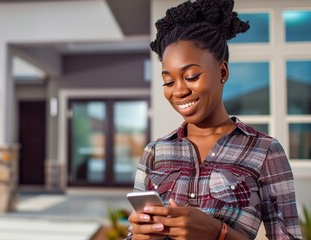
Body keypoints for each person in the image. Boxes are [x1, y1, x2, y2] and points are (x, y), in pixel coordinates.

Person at [126, 0, 302, 239]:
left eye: (191, 76)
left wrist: (218, 233)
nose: (178, 91)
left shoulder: (265, 151)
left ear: (222, 72)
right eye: (168, 81)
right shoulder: (155, 152)